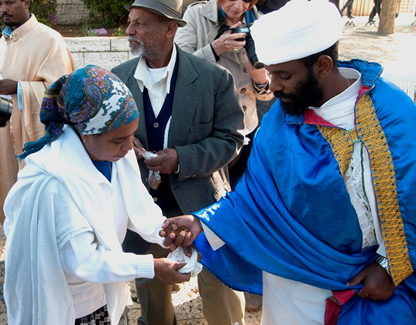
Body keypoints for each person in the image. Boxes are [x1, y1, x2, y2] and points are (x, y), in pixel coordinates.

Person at [161, 0, 416, 324]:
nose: (273, 85)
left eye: (283, 75)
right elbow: (253, 199)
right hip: (287, 289)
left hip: (361, 286)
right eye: (270, 72)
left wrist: (390, 267)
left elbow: (410, 205)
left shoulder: (393, 115)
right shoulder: (278, 122)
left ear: (323, 65)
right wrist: (202, 224)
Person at [3, 66, 191, 325]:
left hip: (106, 288)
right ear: (84, 132)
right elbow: (84, 261)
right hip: (71, 305)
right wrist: (152, 266)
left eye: (131, 135)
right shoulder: (55, 183)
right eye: (118, 140)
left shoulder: (116, 156)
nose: (128, 147)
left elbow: (138, 204)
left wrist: (164, 232)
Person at [111, 0, 246, 324]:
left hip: (201, 206)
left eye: (141, 23)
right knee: (151, 282)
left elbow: (232, 139)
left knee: (219, 284)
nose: (130, 30)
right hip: (144, 209)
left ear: (170, 28)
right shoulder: (117, 79)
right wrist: (122, 144)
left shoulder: (215, 79)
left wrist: (182, 158)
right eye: (130, 22)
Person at [175, 0, 274, 191]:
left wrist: (260, 77)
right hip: (208, 132)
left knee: (244, 193)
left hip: (247, 127)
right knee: (211, 193)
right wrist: (214, 49)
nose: (238, 7)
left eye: (246, 0)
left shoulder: (263, 23)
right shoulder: (196, 15)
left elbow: (267, 95)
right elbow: (178, 70)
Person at [0, 0, 75, 224]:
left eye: (10, 2)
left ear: (26, 2)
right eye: (0, 3)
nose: (4, 9)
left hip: (32, 136)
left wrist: (20, 87)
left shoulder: (50, 40)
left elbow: (62, 92)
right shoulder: (3, 41)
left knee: (37, 210)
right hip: (4, 133)